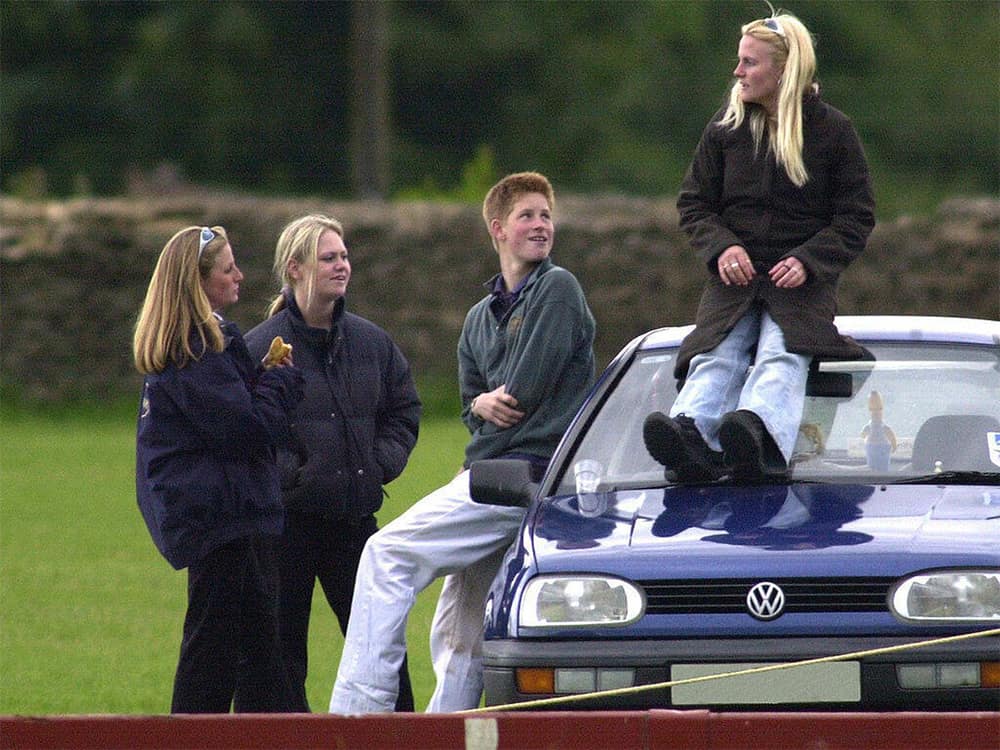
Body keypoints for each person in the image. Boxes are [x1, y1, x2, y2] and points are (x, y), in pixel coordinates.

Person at [329, 171, 596, 713]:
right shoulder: (477, 319)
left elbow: (523, 393)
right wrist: (478, 406)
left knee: (386, 556)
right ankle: (445, 731)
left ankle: (359, 716)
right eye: (527, 215)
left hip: (531, 476)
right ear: (498, 229)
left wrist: (486, 411)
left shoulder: (558, 288)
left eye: (546, 215)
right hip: (494, 474)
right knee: (464, 629)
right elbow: (473, 408)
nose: (541, 225)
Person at [643, 11, 874, 481]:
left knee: (782, 353)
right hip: (734, 282)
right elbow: (694, 204)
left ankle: (757, 433)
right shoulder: (724, 130)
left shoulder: (834, 132)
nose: (738, 72)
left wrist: (809, 261)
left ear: (784, 71)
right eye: (739, 61)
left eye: (749, 63)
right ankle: (690, 436)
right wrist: (722, 248)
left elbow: (856, 216)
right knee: (718, 353)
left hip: (801, 287)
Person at [244, 215, 421, 712]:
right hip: (286, 529)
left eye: (343, 256)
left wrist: (376, 462)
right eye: (329, 258)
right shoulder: (261, 347)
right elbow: (249, 432)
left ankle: (404, 742)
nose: (342, 265)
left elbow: (404, 410)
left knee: (380, 650)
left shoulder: (372, 343)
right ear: (295, 268)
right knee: (280, 657)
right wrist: (292, 477)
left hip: (353, 523)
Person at [133, 225, 305, 713]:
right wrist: (280, 380)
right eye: (228, 269)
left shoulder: (203, 344)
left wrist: (262, 383)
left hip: (226, 516)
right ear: (199, 282)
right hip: (221, 521)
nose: (240, 276)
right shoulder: (194, 350)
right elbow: (248, 429)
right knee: (214, 656)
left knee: (258, 655)